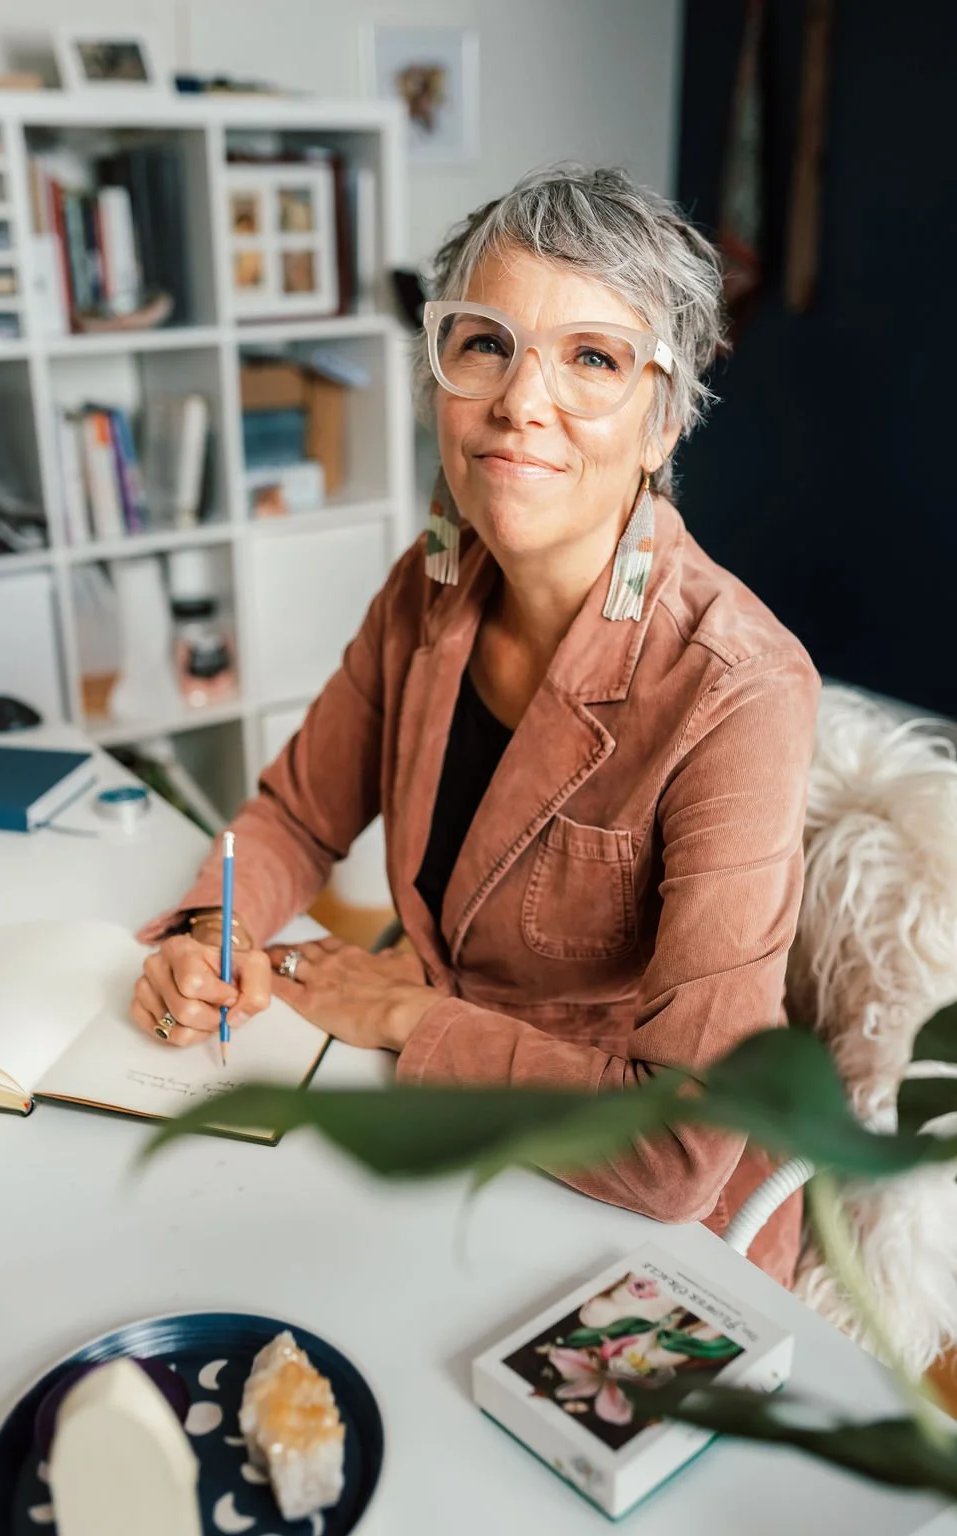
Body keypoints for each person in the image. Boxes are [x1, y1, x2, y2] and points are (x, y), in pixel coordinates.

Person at [135, 166, 820, 1287]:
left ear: (660, 423)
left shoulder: (737, 689)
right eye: (485, 343)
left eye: (591, 359)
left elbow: (681, 1148)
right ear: (438, 374)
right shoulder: (434, 577)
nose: (519, 402)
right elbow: (296, 819)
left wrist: (408, 1020)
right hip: (435, 1120)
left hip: (630, 1220)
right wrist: (207, 933)